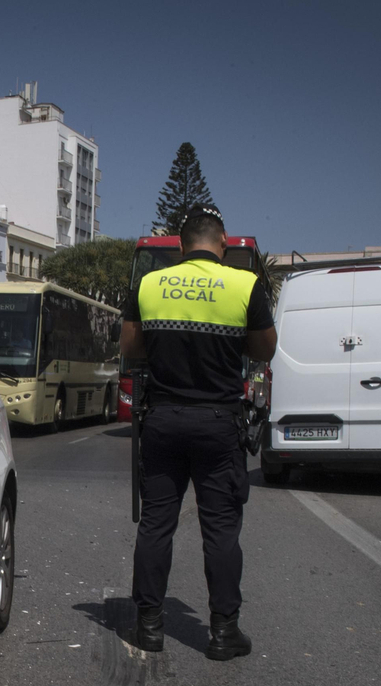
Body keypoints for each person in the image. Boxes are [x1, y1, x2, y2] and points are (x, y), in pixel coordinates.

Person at [121, 206, 277, 660]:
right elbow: (266, 347)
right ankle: (224, 633)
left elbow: (131, 348)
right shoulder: (244, 284)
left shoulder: (149, 285)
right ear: (222, 243)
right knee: (222, 530)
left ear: (181, 244)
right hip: (218, 423)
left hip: (164, 420)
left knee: (156, 525)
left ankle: (148, 627)